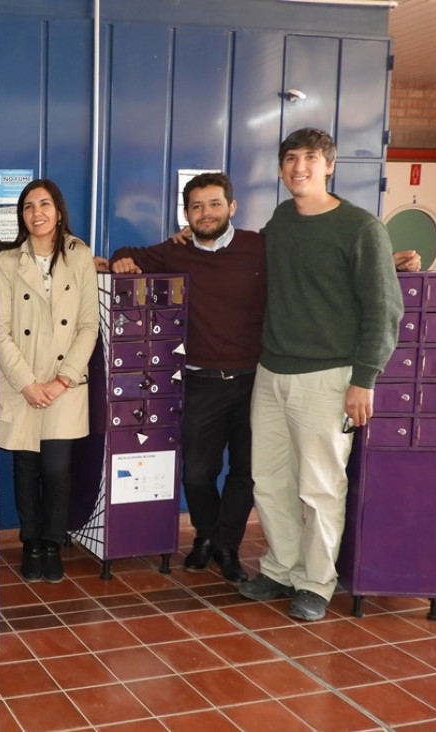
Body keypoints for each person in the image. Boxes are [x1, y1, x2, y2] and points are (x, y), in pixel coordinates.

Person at [239, 128, 402, 621]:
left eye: (310, 158)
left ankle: (315, 582)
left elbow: (383, 306)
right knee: (268, 479)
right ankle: (281, 567)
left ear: (329, 165)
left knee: (319, 486)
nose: (299, 167)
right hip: (271, 371)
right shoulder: (282, 219)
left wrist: (364, 379)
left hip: (328, 377)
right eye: (290, 158)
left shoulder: (361, 227)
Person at [110, 172, 265, 584]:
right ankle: (206, 537)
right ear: (186, 214)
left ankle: (227, 546)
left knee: (246, 471)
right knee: (196, 472)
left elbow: (316, 262)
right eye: (197, 206)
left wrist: (388, 260)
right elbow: (128, 252)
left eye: (215, 204)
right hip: (200, 381)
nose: (206, 213)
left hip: (256, 381)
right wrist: (120, 259)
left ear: (232, 207)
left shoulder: (259, 246)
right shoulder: (175, 251)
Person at [0, 179, 99, 582]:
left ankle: (54, 542)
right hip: (22, 382)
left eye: (44, 204)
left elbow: (89, 325)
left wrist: (63, 379)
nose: (36, 213)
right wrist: (26, 382)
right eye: (28, 207)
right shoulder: (6, 261)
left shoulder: (80, 255)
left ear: (58, 210)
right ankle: (31, 542)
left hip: (65, 386)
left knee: (57, 469)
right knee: (25, 467)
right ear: (21, 216)